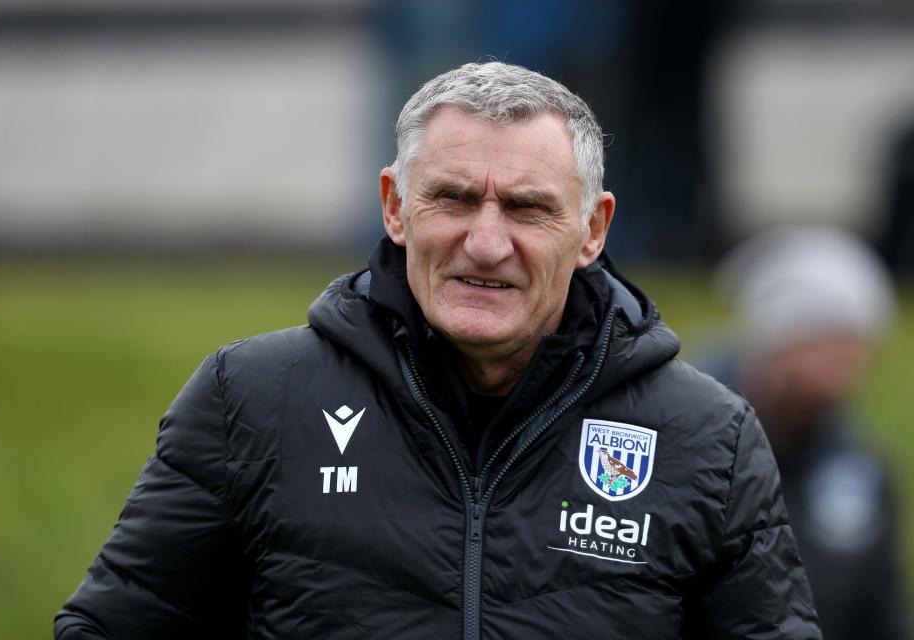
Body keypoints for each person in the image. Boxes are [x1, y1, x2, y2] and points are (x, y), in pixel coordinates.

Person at [55, 62, 820, 639]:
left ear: (593, 230)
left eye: (527, 208)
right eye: (452, 198)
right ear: (394, 206)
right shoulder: (250, 399)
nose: (485, 244)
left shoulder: (706, 438)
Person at [711, 226, 908, 640]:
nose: (846, 370)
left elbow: (879, 613)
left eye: (856, 348)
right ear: (775, 340)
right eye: (828, 344)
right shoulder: (686, 439)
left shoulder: (861, 472)